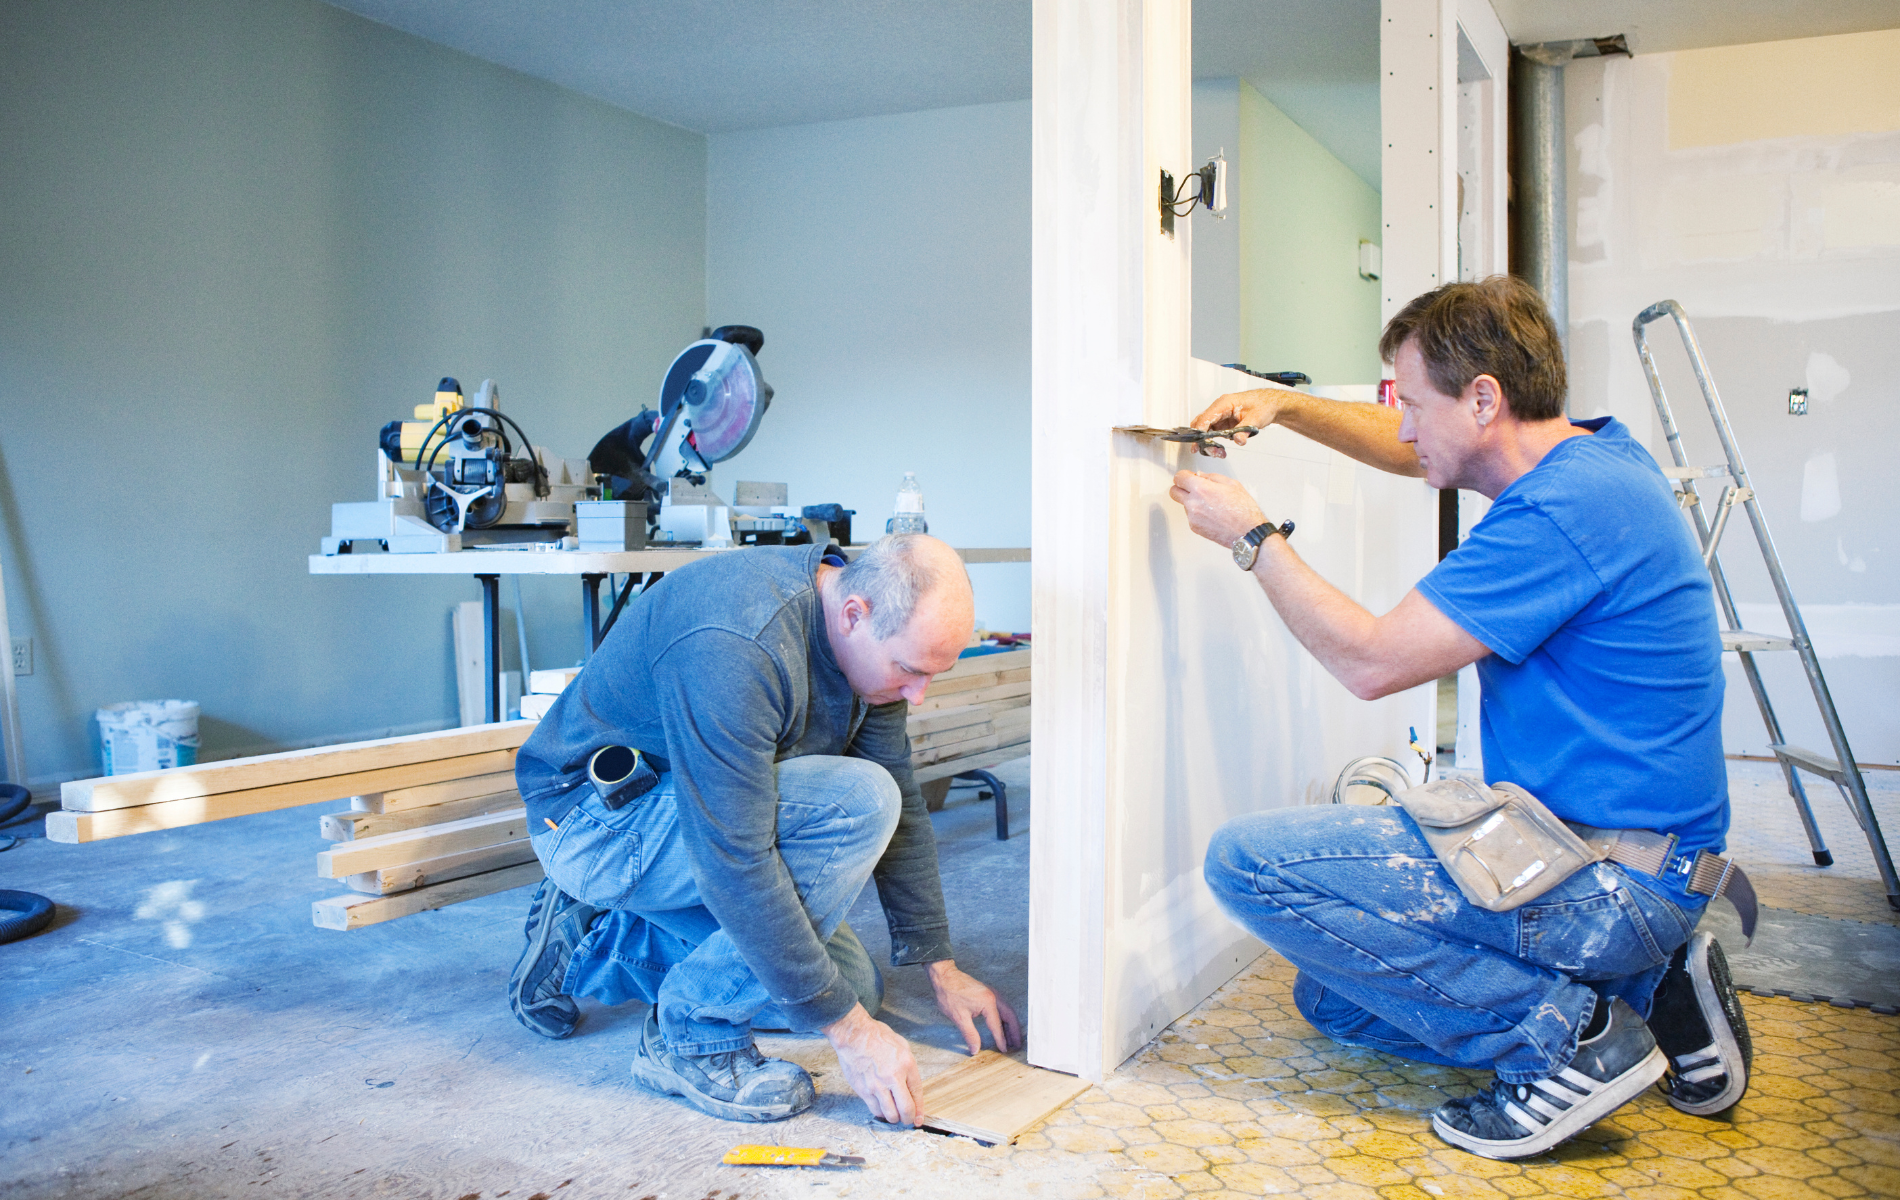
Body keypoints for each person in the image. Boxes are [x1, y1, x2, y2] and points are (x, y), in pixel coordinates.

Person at [1168, 276, 1753, 1160]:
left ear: (1484, 399)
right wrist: (1286, 405)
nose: (1403, 428)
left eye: (1411, 404)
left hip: (1609, 875)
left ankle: (1575, 1040)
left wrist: (1253, 536)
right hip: (1613, 852)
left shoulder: (1560, 513)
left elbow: (1370, 663)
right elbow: (1423, 451)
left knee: (1246, 864)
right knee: (1334, 1000)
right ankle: (1649, 993)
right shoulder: (1592, 460)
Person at [506, 533, 1021, 1126]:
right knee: (857, 803)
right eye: (908, 670)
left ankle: (594, 939)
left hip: (692, 815)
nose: (918, 695)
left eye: (930, 675)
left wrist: (941, 967)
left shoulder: (869, 652)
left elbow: (904, 803)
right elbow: (734, 857)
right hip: (596, 823)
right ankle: (690, 1035)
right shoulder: (737, 640)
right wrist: (853, 1036)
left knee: (850, 987)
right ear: (855, 614)